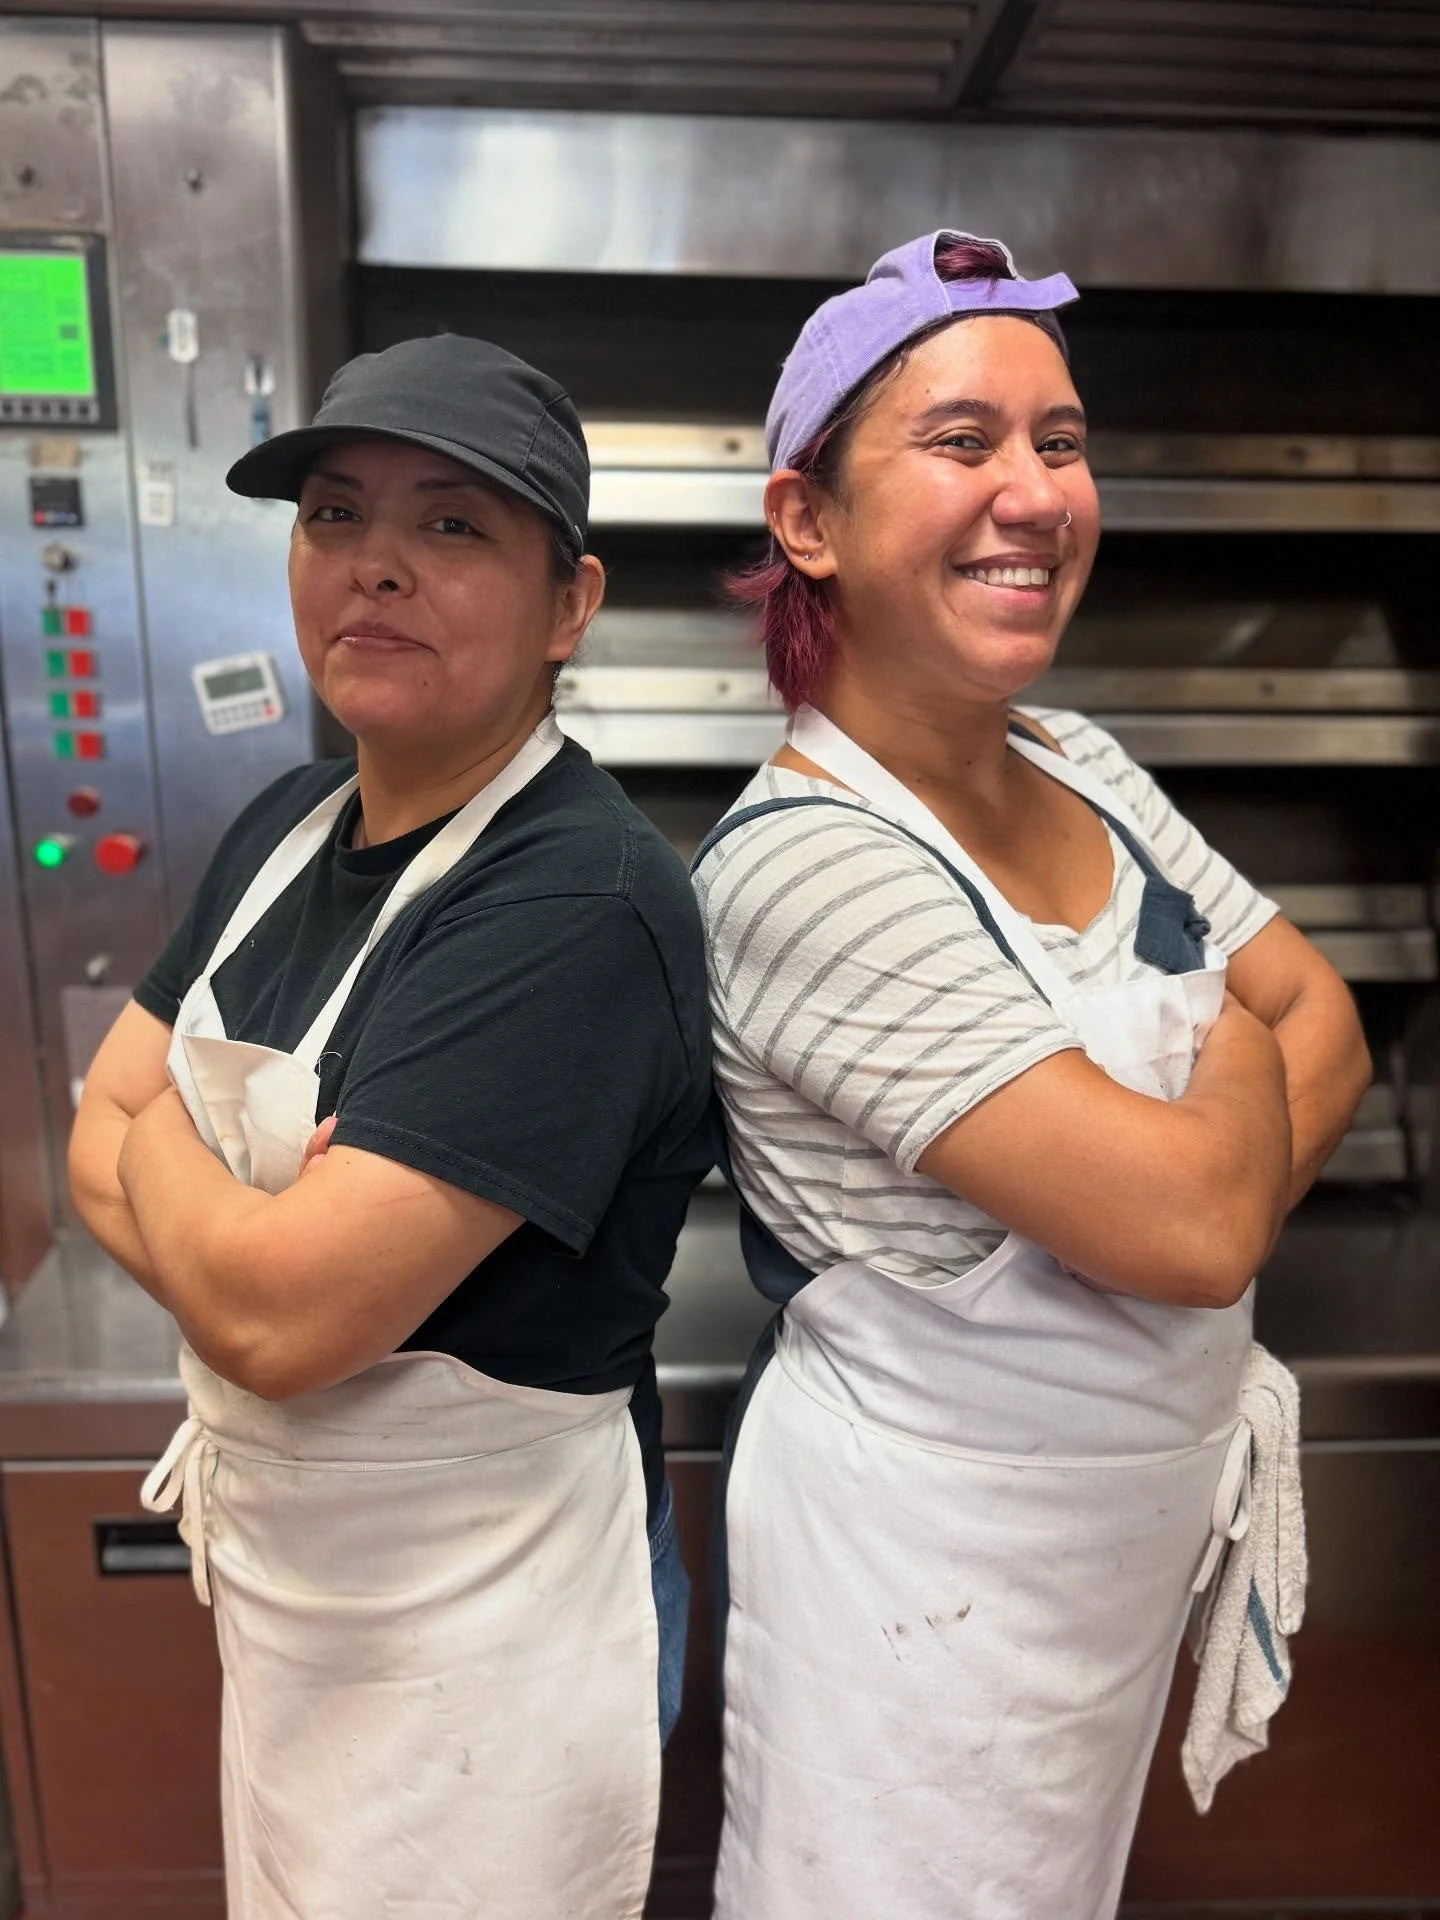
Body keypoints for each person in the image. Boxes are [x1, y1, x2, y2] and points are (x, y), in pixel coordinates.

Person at [690, 232, 1370, 1920]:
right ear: (809, 522)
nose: (1036, 491)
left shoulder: (1083, 761)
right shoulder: (797, 868)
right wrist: (1209, 1079)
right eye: (962, 441)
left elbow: (1335, 1028)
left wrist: (1162, 1209)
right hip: (912, 1601)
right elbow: (1207, 1226)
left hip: (1098, 1573)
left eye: (1061, 444)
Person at [68, 334, 711, 1920]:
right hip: (307, 1610)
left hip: (492, 1636)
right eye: (335, 516)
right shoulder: (284, 823)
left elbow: (285, 1317)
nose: (374, 569)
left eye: (451, 527)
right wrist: (188, 1184)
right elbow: (81, 1141)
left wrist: (165, 1139)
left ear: (572, 602)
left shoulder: (578, 897)